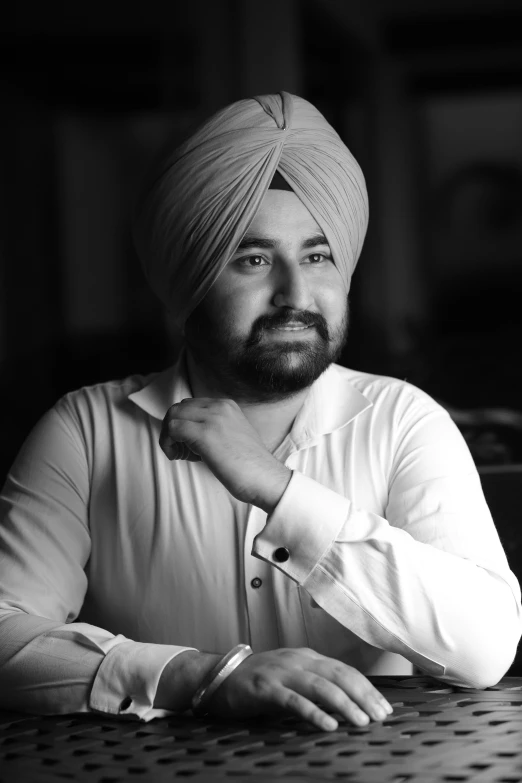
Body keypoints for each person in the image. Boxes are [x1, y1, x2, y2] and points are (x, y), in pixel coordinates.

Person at [0, 92, 520, 733]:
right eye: (253, 259)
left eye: (317, 255)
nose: (295, 294)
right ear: (187, 280)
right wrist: (199, 676)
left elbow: (486, 646)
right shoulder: (85, 431)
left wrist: (279, 491)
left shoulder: (402, 420)